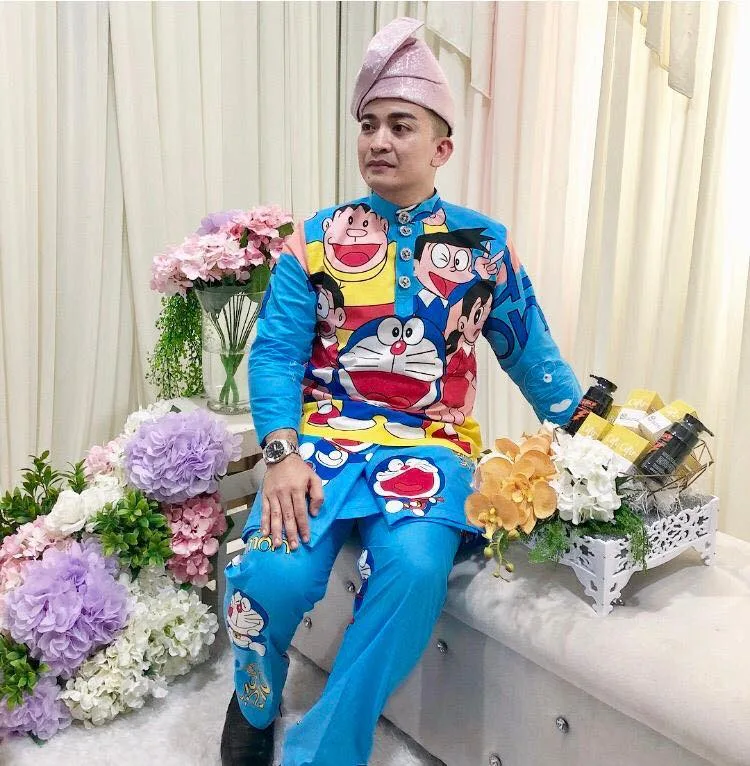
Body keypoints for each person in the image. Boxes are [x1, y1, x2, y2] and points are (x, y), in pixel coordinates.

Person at [221, 16, 582, 766]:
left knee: (416, 573)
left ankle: (326, 749)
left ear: (441, 147)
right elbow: (276, 354)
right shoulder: (312, 240)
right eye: (369, 125)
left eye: (400, 126)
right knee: (269, 575)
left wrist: (588, 437)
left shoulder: (484, 245)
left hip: (432, 444)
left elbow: (530, 352)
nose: (379, 141)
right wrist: (280, 454)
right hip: (320, 440)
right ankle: (254, 701)